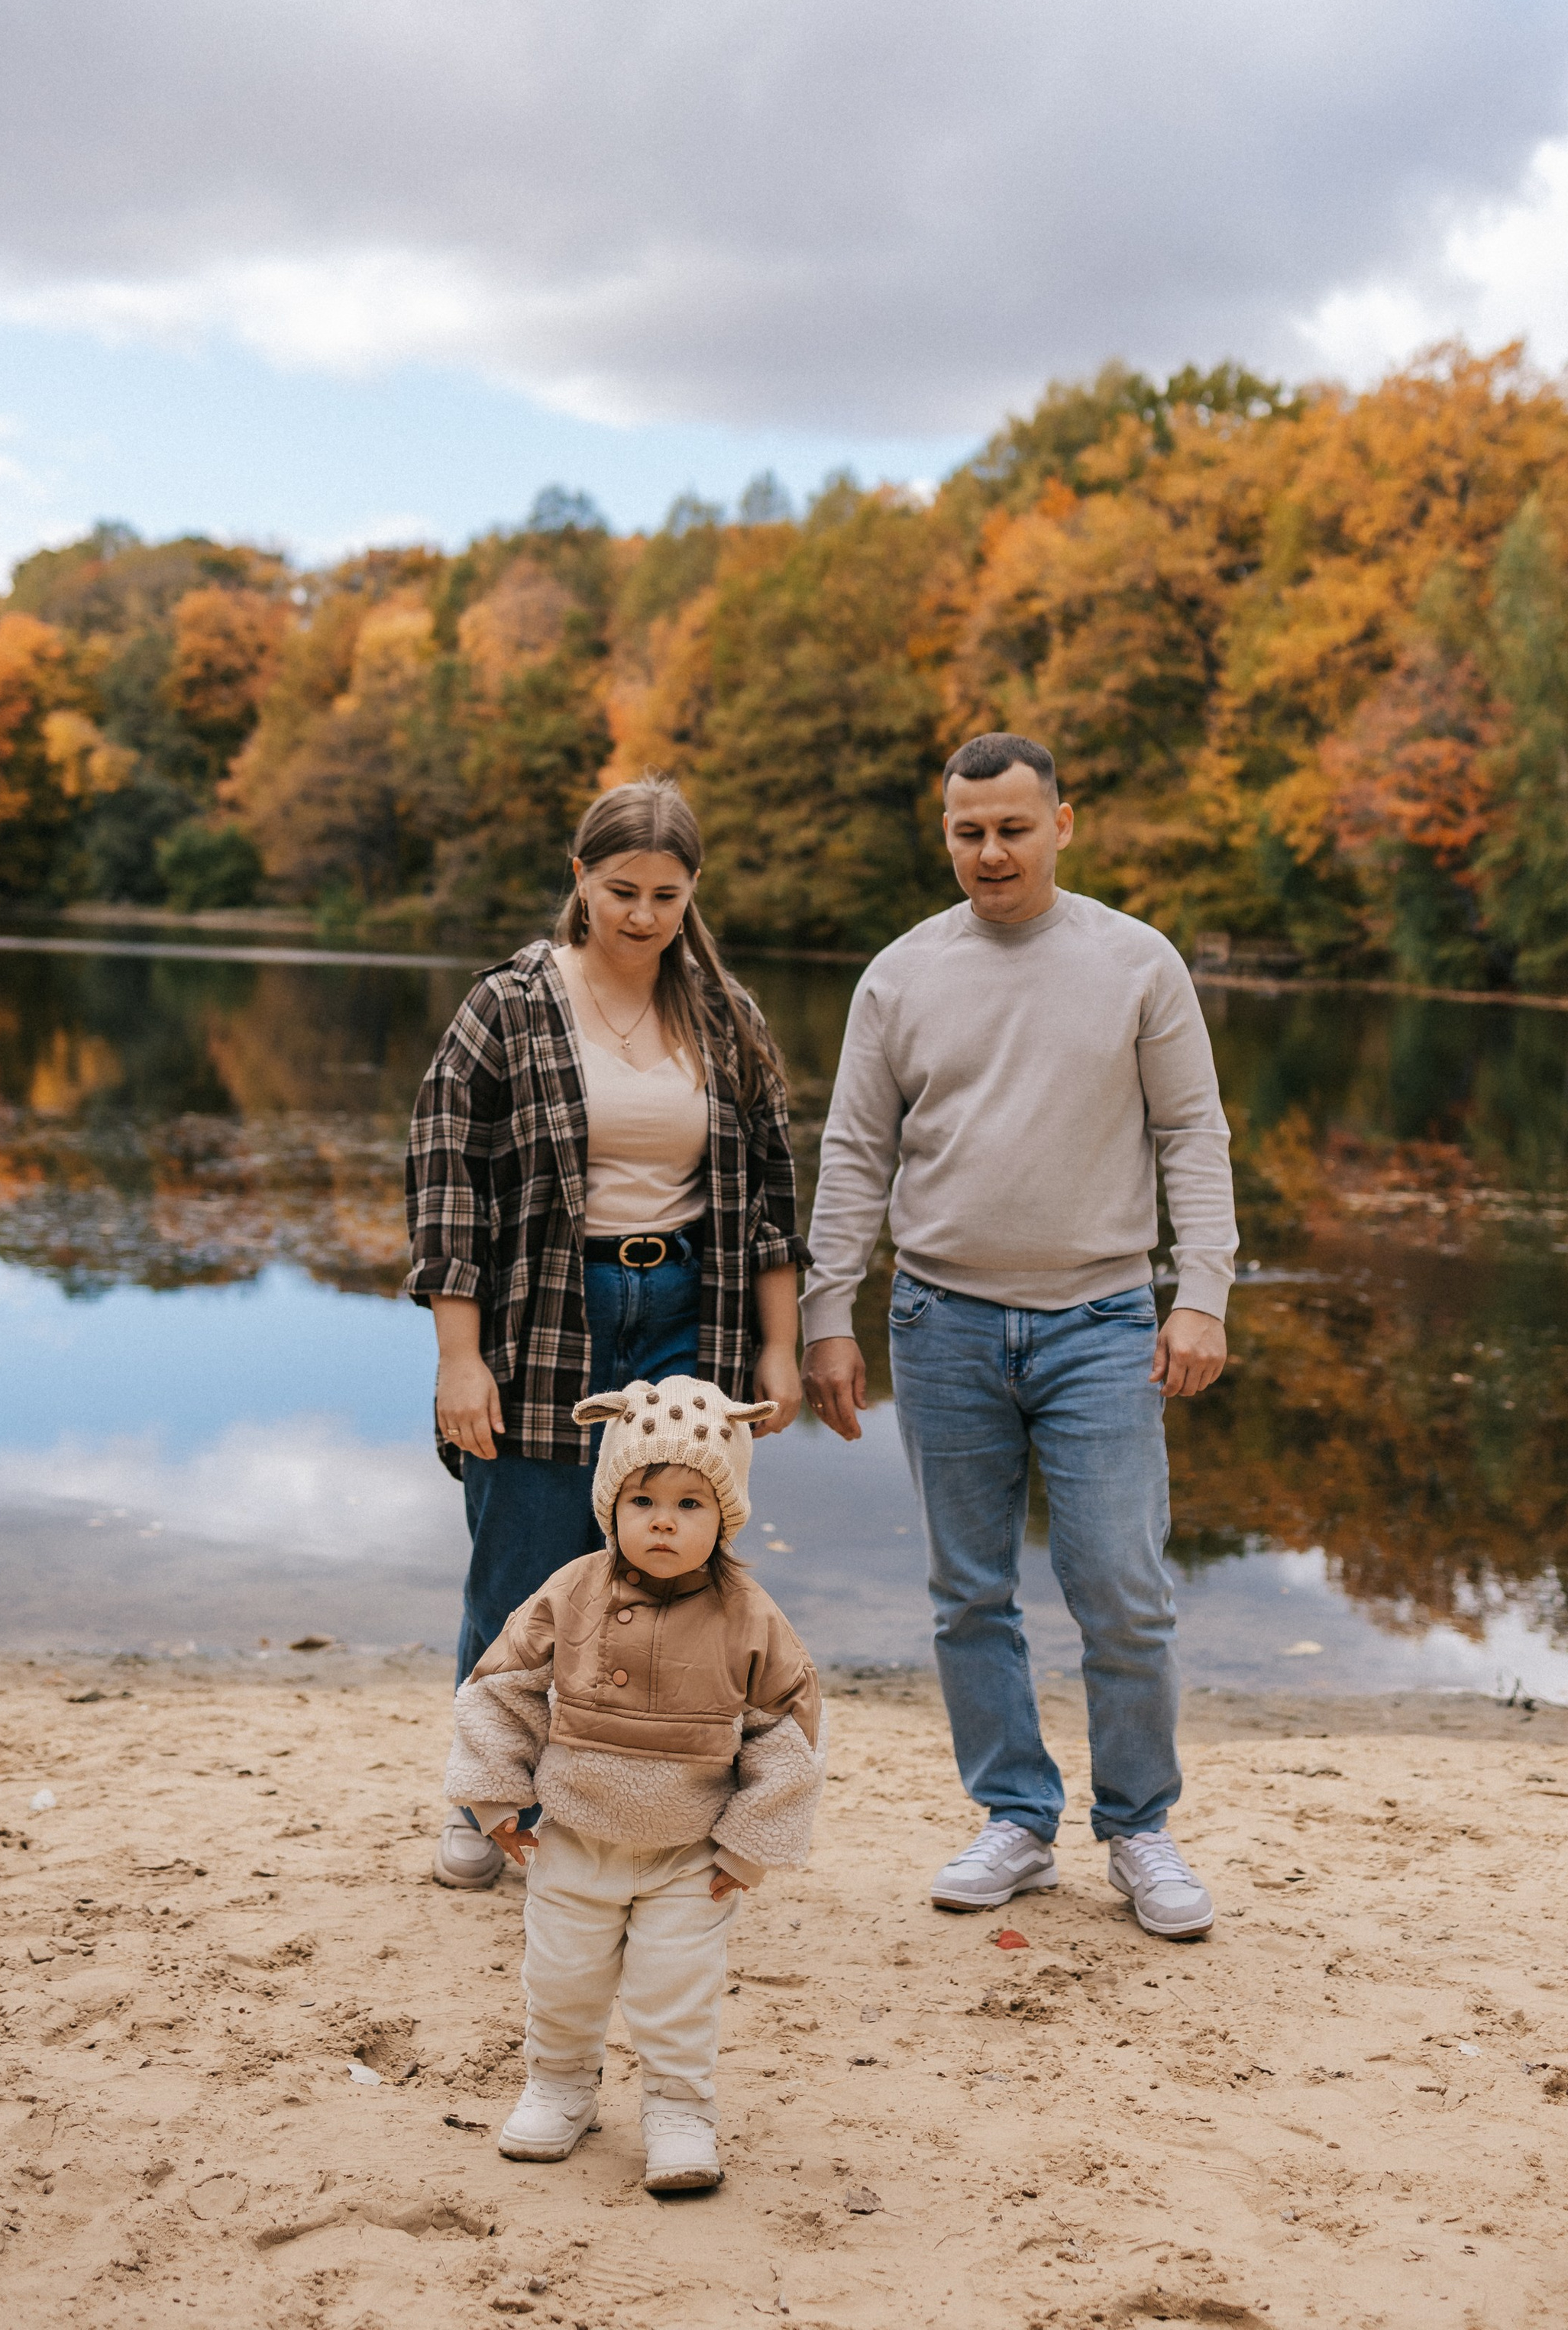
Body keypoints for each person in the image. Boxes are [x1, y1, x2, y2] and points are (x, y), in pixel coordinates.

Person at [800, 732, 1237, 1939]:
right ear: (945, 834)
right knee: (968, 1592)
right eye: (967, 832)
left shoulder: (1136, 963)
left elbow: (1193, 1134)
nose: (990, 852)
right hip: (941, 1318)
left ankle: (1140, 1828)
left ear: (1062, 824)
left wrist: (1201, 1292)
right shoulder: (899, 976)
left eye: (1013, 828)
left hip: (1102, 1318)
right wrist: (826, 1312)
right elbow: (855, 1153)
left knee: (1123, 1586)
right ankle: (1016, 1819)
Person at [407, 773, 807, 1894]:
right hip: (544, 1312)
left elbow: (772, 1197)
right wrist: (458, 1353)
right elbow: (444, 1187)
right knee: (523, 1569)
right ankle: (486, 1801)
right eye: (621, 889)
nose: (642, 915)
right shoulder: (510, 1005)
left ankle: (643, 1809)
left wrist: (778, 1347)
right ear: (579, 878)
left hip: (690, 1311)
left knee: (672, 1573)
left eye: (667, 895)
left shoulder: (727, 1017)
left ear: (693, 894)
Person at [445, 1375, 826, 2192]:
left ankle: (679, 2109)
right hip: (575, 1839)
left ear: (725, 1516)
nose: (662, 1519)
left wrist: (749, 1844)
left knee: (673, 1994)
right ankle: (559, 2085)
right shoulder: (573, 1591)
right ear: (609, 1504)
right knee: (562, 1979)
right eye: (642, 1498)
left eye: (691, 1504)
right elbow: (502, 1686)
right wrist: (496, 1798)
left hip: (688, 1855)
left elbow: (785, 1735)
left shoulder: (748, 1617)